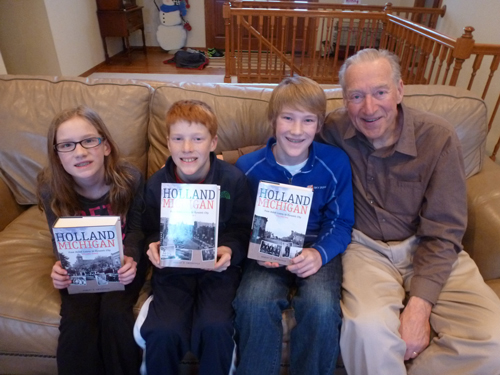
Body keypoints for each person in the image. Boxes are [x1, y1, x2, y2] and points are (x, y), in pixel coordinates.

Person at [320, 48, 500, 375]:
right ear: (345, 100)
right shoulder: (333, 130)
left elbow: (445, 229)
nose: (369, 107)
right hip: (364, 247)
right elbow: (287, 143)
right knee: (367, 330)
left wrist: (419, 306)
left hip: (429, 247)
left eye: (380, 92)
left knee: (494, 341)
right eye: (356, 96)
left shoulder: (438, 137)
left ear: (400, 90)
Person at [233, 76, 355, 375]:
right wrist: (255, 248)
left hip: (316, 251)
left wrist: (320, 254)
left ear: (319, 124)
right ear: (274, 120)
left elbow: (341, 221)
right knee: (252, 303)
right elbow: (237, 222)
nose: (297, 130)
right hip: (265, 254)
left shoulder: (335, 162)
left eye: (307, 120)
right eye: (288, 118)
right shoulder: (247, 168)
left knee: (322, 309)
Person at [136, 100, 253, 375]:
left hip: (218, 273)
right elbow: (147, 230)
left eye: (197, 139)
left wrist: (230, 250)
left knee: (215, 326)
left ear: (213, 143)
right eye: (178, 139)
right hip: (173, 272)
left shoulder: (233, 181)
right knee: (163, 331)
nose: (187, 148)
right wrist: (152, 246)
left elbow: (243, 229)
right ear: (168, 142)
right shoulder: (155, 185)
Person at [37, 105, 146, 375]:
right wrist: (59, 266)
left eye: (89, 141)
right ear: (57, 155)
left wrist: (130, 256)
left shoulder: (130, 179)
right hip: (79, 268)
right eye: (67, 145)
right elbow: (57, 236)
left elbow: (137, 228)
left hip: (123, 263)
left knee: (116, 315)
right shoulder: (49, 187)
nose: (80, 151)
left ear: (105, 146)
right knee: (77, 321)